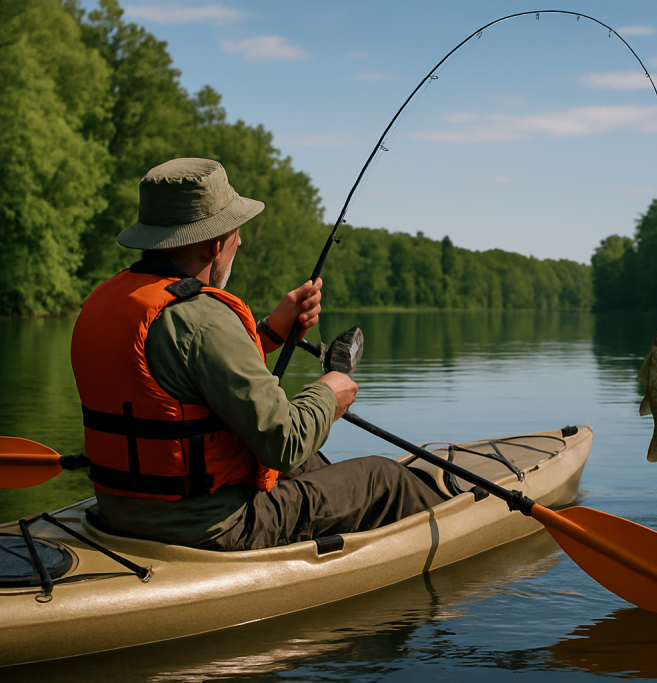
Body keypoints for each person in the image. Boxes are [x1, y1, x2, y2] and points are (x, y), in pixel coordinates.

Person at [71, 157, 444, 551]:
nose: (240, 242)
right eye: (235, 234)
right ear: (214, 243)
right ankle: (460, 527)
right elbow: (283, 442)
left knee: (310, 465)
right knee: (381, 478)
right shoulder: (203, 318)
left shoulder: (106, 300)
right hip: (209, 527)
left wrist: (270, 331)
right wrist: (327, 393)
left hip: (118, 512)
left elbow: (178, 378)